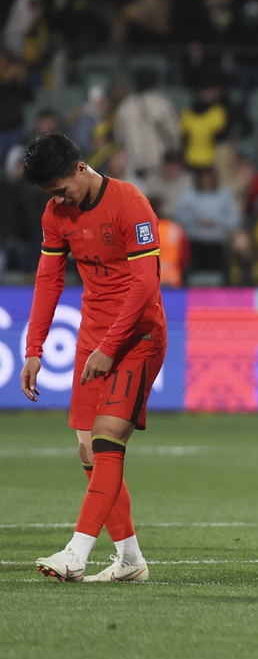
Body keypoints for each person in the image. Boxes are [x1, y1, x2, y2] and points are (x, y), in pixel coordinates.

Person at [19, 134, 167, 583]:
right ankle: (130, 560)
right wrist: (33, 349)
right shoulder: (55, 214)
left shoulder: (130, 205)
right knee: (88, 450)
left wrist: (109, 348)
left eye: (61, 188)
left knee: (106, 439)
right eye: (51, 194)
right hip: (93, 339)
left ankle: (76, 551)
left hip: (138, 335)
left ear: (81, 168)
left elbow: (144, 287)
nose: (58, 199)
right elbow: (48, 281)